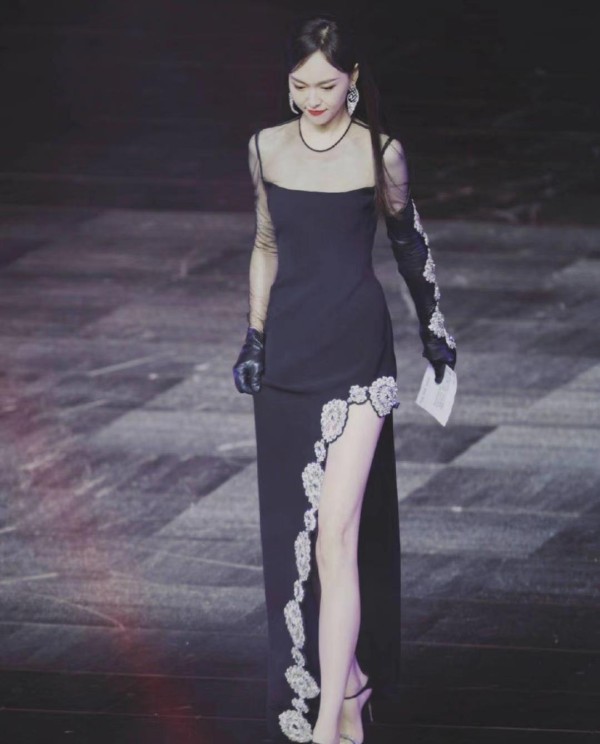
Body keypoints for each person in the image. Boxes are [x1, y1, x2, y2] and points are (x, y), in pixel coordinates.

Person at [232, 14, 456, 744]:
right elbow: (266, 242)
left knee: (337, 535)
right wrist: (255, 336)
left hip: (359, 358)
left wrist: (435, 332)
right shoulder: (265, 147)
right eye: (300, 85)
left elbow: (408, 241)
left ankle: (329, 720)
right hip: (289, 357)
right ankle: (351, 682)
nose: (312, 99)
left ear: (353, 79)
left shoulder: (379, 153)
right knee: (299, 539)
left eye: (327, 85)